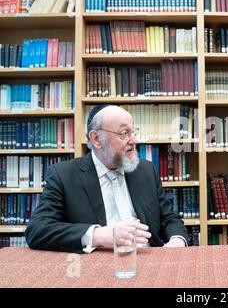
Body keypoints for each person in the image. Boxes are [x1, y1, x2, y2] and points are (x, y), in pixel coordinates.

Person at [25, 105, 189, 253]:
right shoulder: (64, 175)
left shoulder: (146, 170)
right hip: (95, 269)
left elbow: (168, 218)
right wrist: (98, 235)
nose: (134, 140)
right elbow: (37, 230)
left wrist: (177, 240)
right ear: (96, 139)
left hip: (149, 263)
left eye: (134, 132)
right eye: (124, 133)